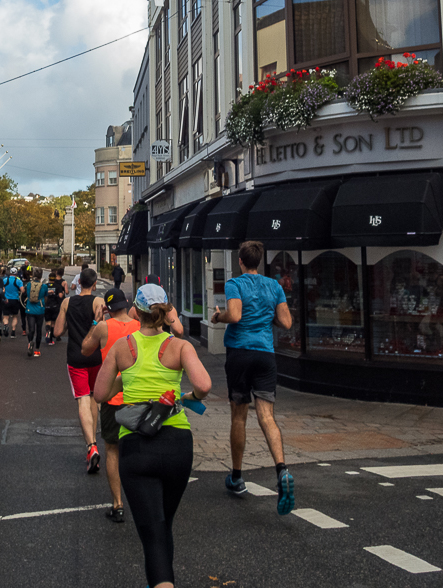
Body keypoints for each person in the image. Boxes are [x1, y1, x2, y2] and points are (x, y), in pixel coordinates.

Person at [94, 283, 211, 588]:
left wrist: (123, 382)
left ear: (137, 311)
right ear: (166, 311)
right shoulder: (180, 346)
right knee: (163, 525)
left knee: (153, 534)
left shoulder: (123, 347)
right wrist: (188, 394)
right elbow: (205, 386)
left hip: (136, 446)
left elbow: (99, 393)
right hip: (177, 444)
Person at [210, 240, 295, 515]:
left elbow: (234, 315)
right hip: (265, 354)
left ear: (241, 261)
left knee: (239, 416)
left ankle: (236, 476)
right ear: (259, 261)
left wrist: (217, 318)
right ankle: (282, 470)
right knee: (267, 416)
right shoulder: (274, 286)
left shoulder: (235, 284)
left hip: (240, 353)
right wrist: (266, 315)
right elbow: (286, 322)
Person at [80, 286, 139, 523]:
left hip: (112, 397)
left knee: (112, 449)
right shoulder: (138, 326)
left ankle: (118, 504)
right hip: (137, 395)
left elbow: (85, 349)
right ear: (126, 303)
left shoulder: (104, 327)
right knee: (137, 448)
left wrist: (96, 321)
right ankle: (142, 498)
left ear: (108, 308)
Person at [54, 267, 106, 473]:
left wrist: (68, 321)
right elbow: (102, 330)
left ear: (79, 282)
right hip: (95, 356)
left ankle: (91, 445)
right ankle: (92, 443)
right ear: (94, 284)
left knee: (83, 399)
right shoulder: (98, 302)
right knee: (94, 399)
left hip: (75, 357)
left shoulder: (67, 303)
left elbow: (57, 331)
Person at [22, 269, 50, 357]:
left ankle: (30, 343)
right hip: (40, 310)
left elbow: (25, 294)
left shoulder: (29, 285)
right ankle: (37, 350)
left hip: (30, 309)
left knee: (31, 329)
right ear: (41, 275)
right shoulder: (44, 286)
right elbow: (46, 298)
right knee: (39, 330)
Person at [43, 267, 66, 345]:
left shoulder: (45, 286)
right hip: (55, 306)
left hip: (47, 306)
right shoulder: (57, 285)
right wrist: (61, 293)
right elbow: (60, 296)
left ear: (49, 278)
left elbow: (42, 295)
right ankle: (51, 338)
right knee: (53, 322)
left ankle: (47, 332)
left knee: (47, 322)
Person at [1, 267, 24, 338]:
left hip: (6, 300)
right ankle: (13, 332)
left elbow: (1, 289)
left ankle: (5, 325)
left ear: (10, 273)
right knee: (15, 316)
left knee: (5, 316)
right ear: (16, 273)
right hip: (15, 300)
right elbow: (23, 290)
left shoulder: (4, 280)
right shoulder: (19, 281)